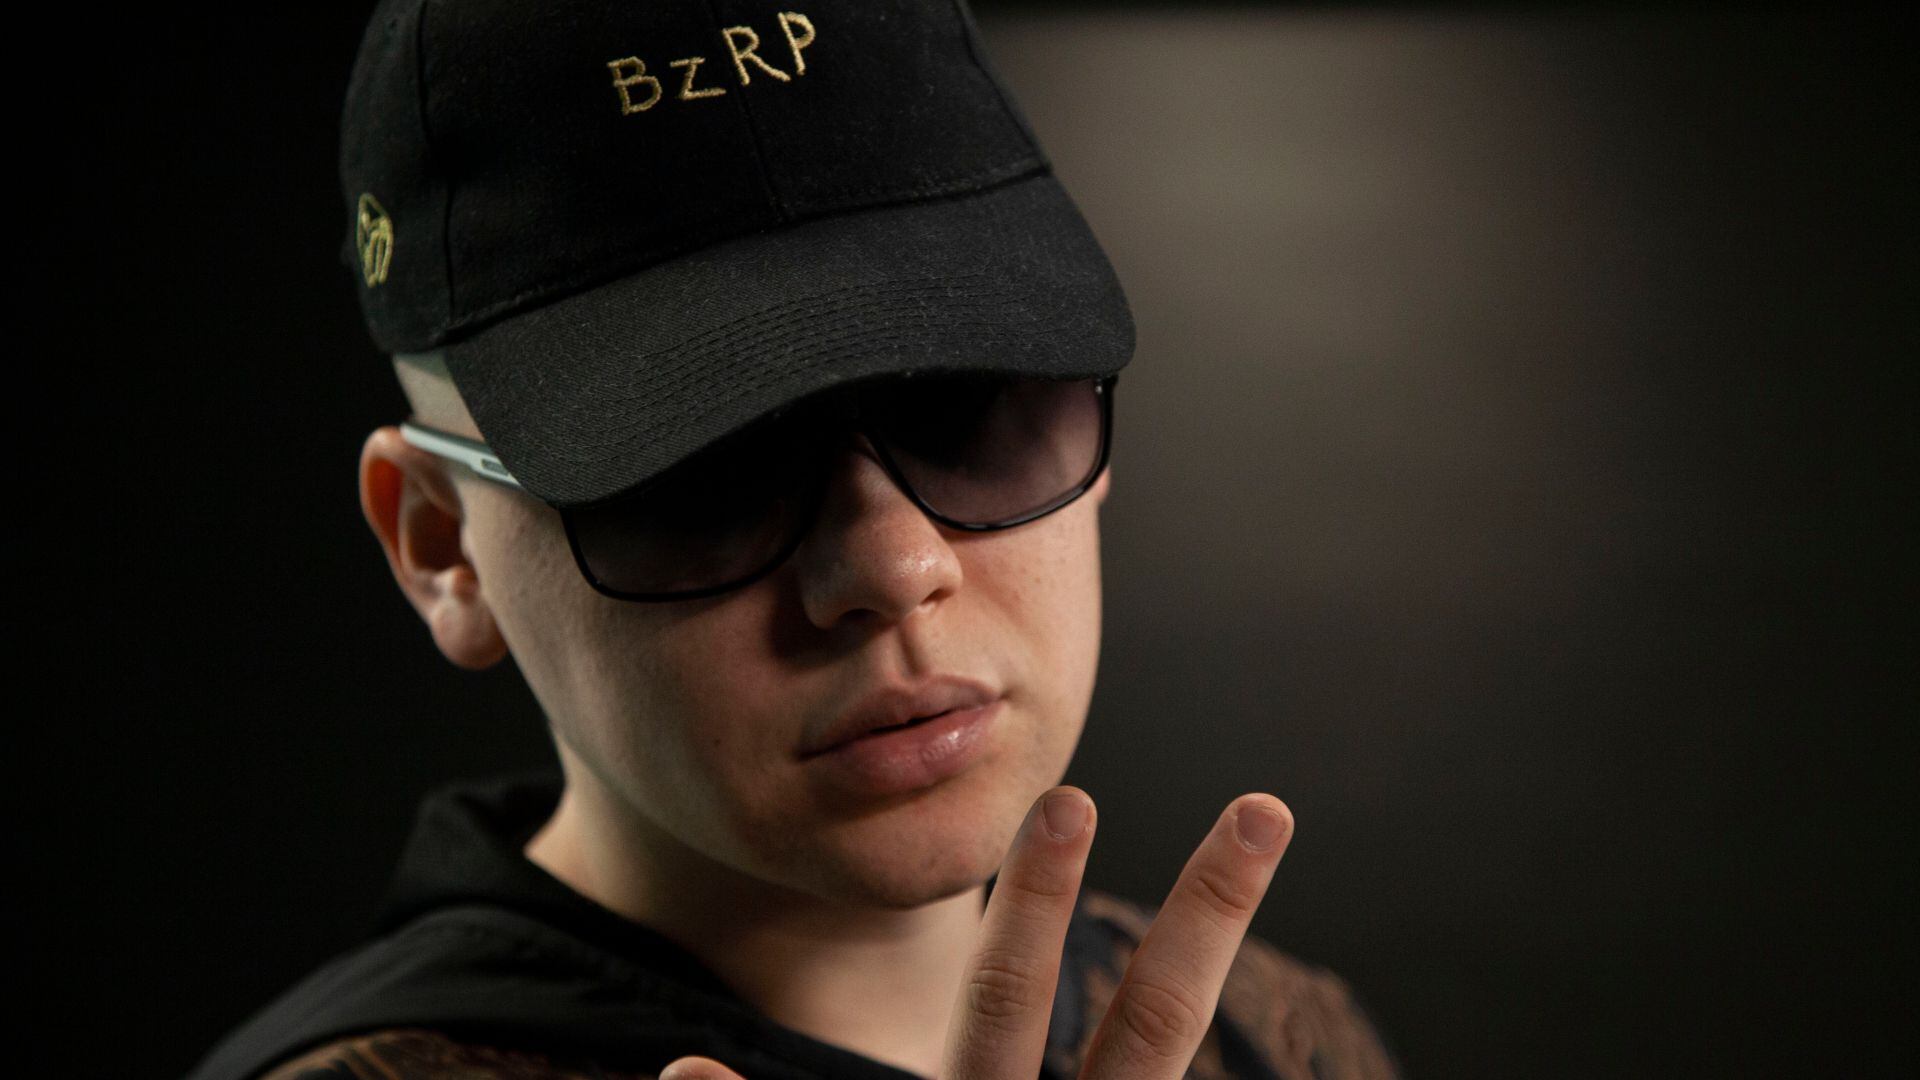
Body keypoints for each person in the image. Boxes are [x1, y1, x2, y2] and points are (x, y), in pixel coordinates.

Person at [186, 1, 1400, 1077]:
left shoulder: (1274, 1037)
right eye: (707, 472)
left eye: (974, 411)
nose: (895, 568)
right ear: (441, 548)